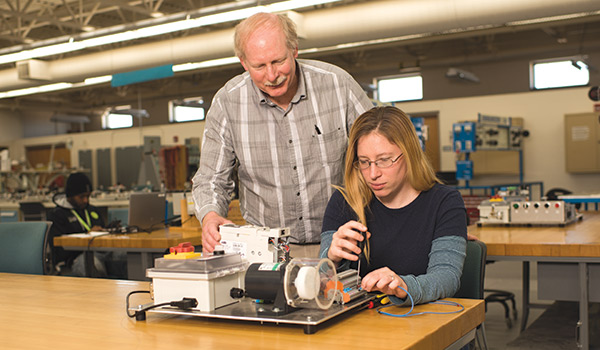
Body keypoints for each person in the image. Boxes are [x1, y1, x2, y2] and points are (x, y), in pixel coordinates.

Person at [192, 12, 373, 254]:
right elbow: (210, 179)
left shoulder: (338, 86)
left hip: (344, 242)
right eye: (259, 66)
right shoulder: (228, 102)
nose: (272, 75)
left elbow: (380, 151)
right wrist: (210, 215)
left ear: (294, 50)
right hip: (268, 251)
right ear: (244, 63)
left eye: (278, 61)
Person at [319, 106, 467, 305]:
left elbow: (447, 277)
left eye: (384, 160)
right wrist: (331, 259)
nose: (373, 174)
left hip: (422, 323)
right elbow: (320, 283)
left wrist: (402, 286)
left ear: (410, 153)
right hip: (360, 326)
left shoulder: (445, 202)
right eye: (364, 162)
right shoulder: (343, 202)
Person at [47, 172, 125, 277]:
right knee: (92, 265)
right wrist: (87, 235)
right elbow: (59, 249)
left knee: (125, 256)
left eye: (88, 196)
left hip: (101, 251)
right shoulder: (57, 215)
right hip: (75, 258)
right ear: (70, 195)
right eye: (81, 196)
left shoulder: (92, 210)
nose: (86, 200)